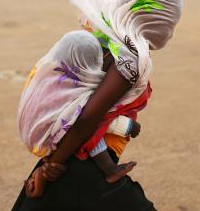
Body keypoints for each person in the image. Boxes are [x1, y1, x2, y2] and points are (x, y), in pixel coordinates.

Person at [10, 0, 182, 211]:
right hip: (83, 169)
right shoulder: (128, 58)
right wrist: (47, 171)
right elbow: (87, 118)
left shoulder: (111, 44)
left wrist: (47, 167)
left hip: (69, 160)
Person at [19, 30, 147, 197]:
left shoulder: (48, 73)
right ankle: (110, 169)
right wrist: (125, 125)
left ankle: (48, 168)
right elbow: (83, 120)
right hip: (50, 136)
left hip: (35, 135)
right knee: (90, 121)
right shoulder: (72, 89)